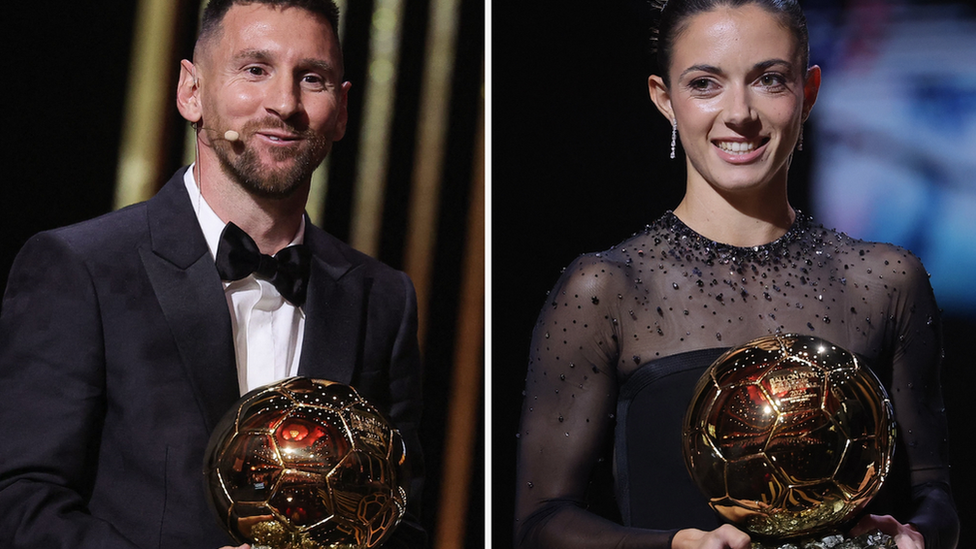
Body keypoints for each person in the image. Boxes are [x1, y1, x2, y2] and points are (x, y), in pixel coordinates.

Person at [513, 1, 959, 548]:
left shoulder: (887, 281)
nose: (739, 113)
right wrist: (677, 546)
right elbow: (540, 523)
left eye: (769, 80)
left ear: (809, 91)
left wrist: (914, 538)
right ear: (665, 99)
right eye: (705, 84)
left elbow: (933, 494)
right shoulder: (606, 288)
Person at [0, 1, 424, 548]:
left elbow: (399, 516)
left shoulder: (382, 298)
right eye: (255, 69)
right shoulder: (80, 267)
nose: (284, 103)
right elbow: (19, 500)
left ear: (341, 110)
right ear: (191, 91)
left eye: (311, 79)